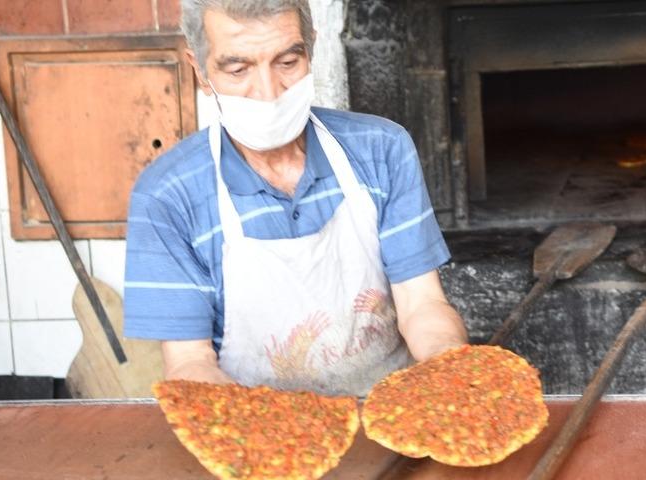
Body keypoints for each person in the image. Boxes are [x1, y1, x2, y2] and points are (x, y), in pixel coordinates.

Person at [122, 0, 467, 396]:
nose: (268, 93)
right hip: (256, 429)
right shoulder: (167, 196)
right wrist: (269, 437)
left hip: (391, 408)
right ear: (200, 70)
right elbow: (190, 362)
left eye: (287, 63)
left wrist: (451, 370)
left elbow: (422, 304)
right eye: (238, 69)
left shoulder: (381, 149)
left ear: (311, 50)